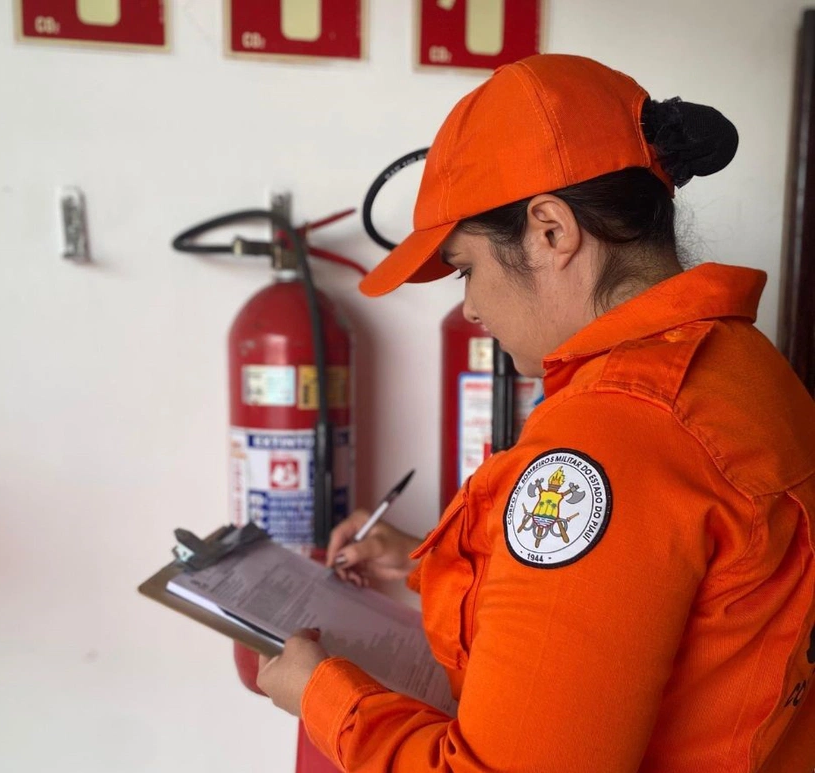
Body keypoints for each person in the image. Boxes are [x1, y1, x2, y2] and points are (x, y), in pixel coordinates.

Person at [256, 54, 815, 772]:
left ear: (550, 231)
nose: (471, 306)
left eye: (466, 268)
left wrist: (322, 695)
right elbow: (643, 599)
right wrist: (422, 563)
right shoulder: (743, 366)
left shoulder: (610, 436)